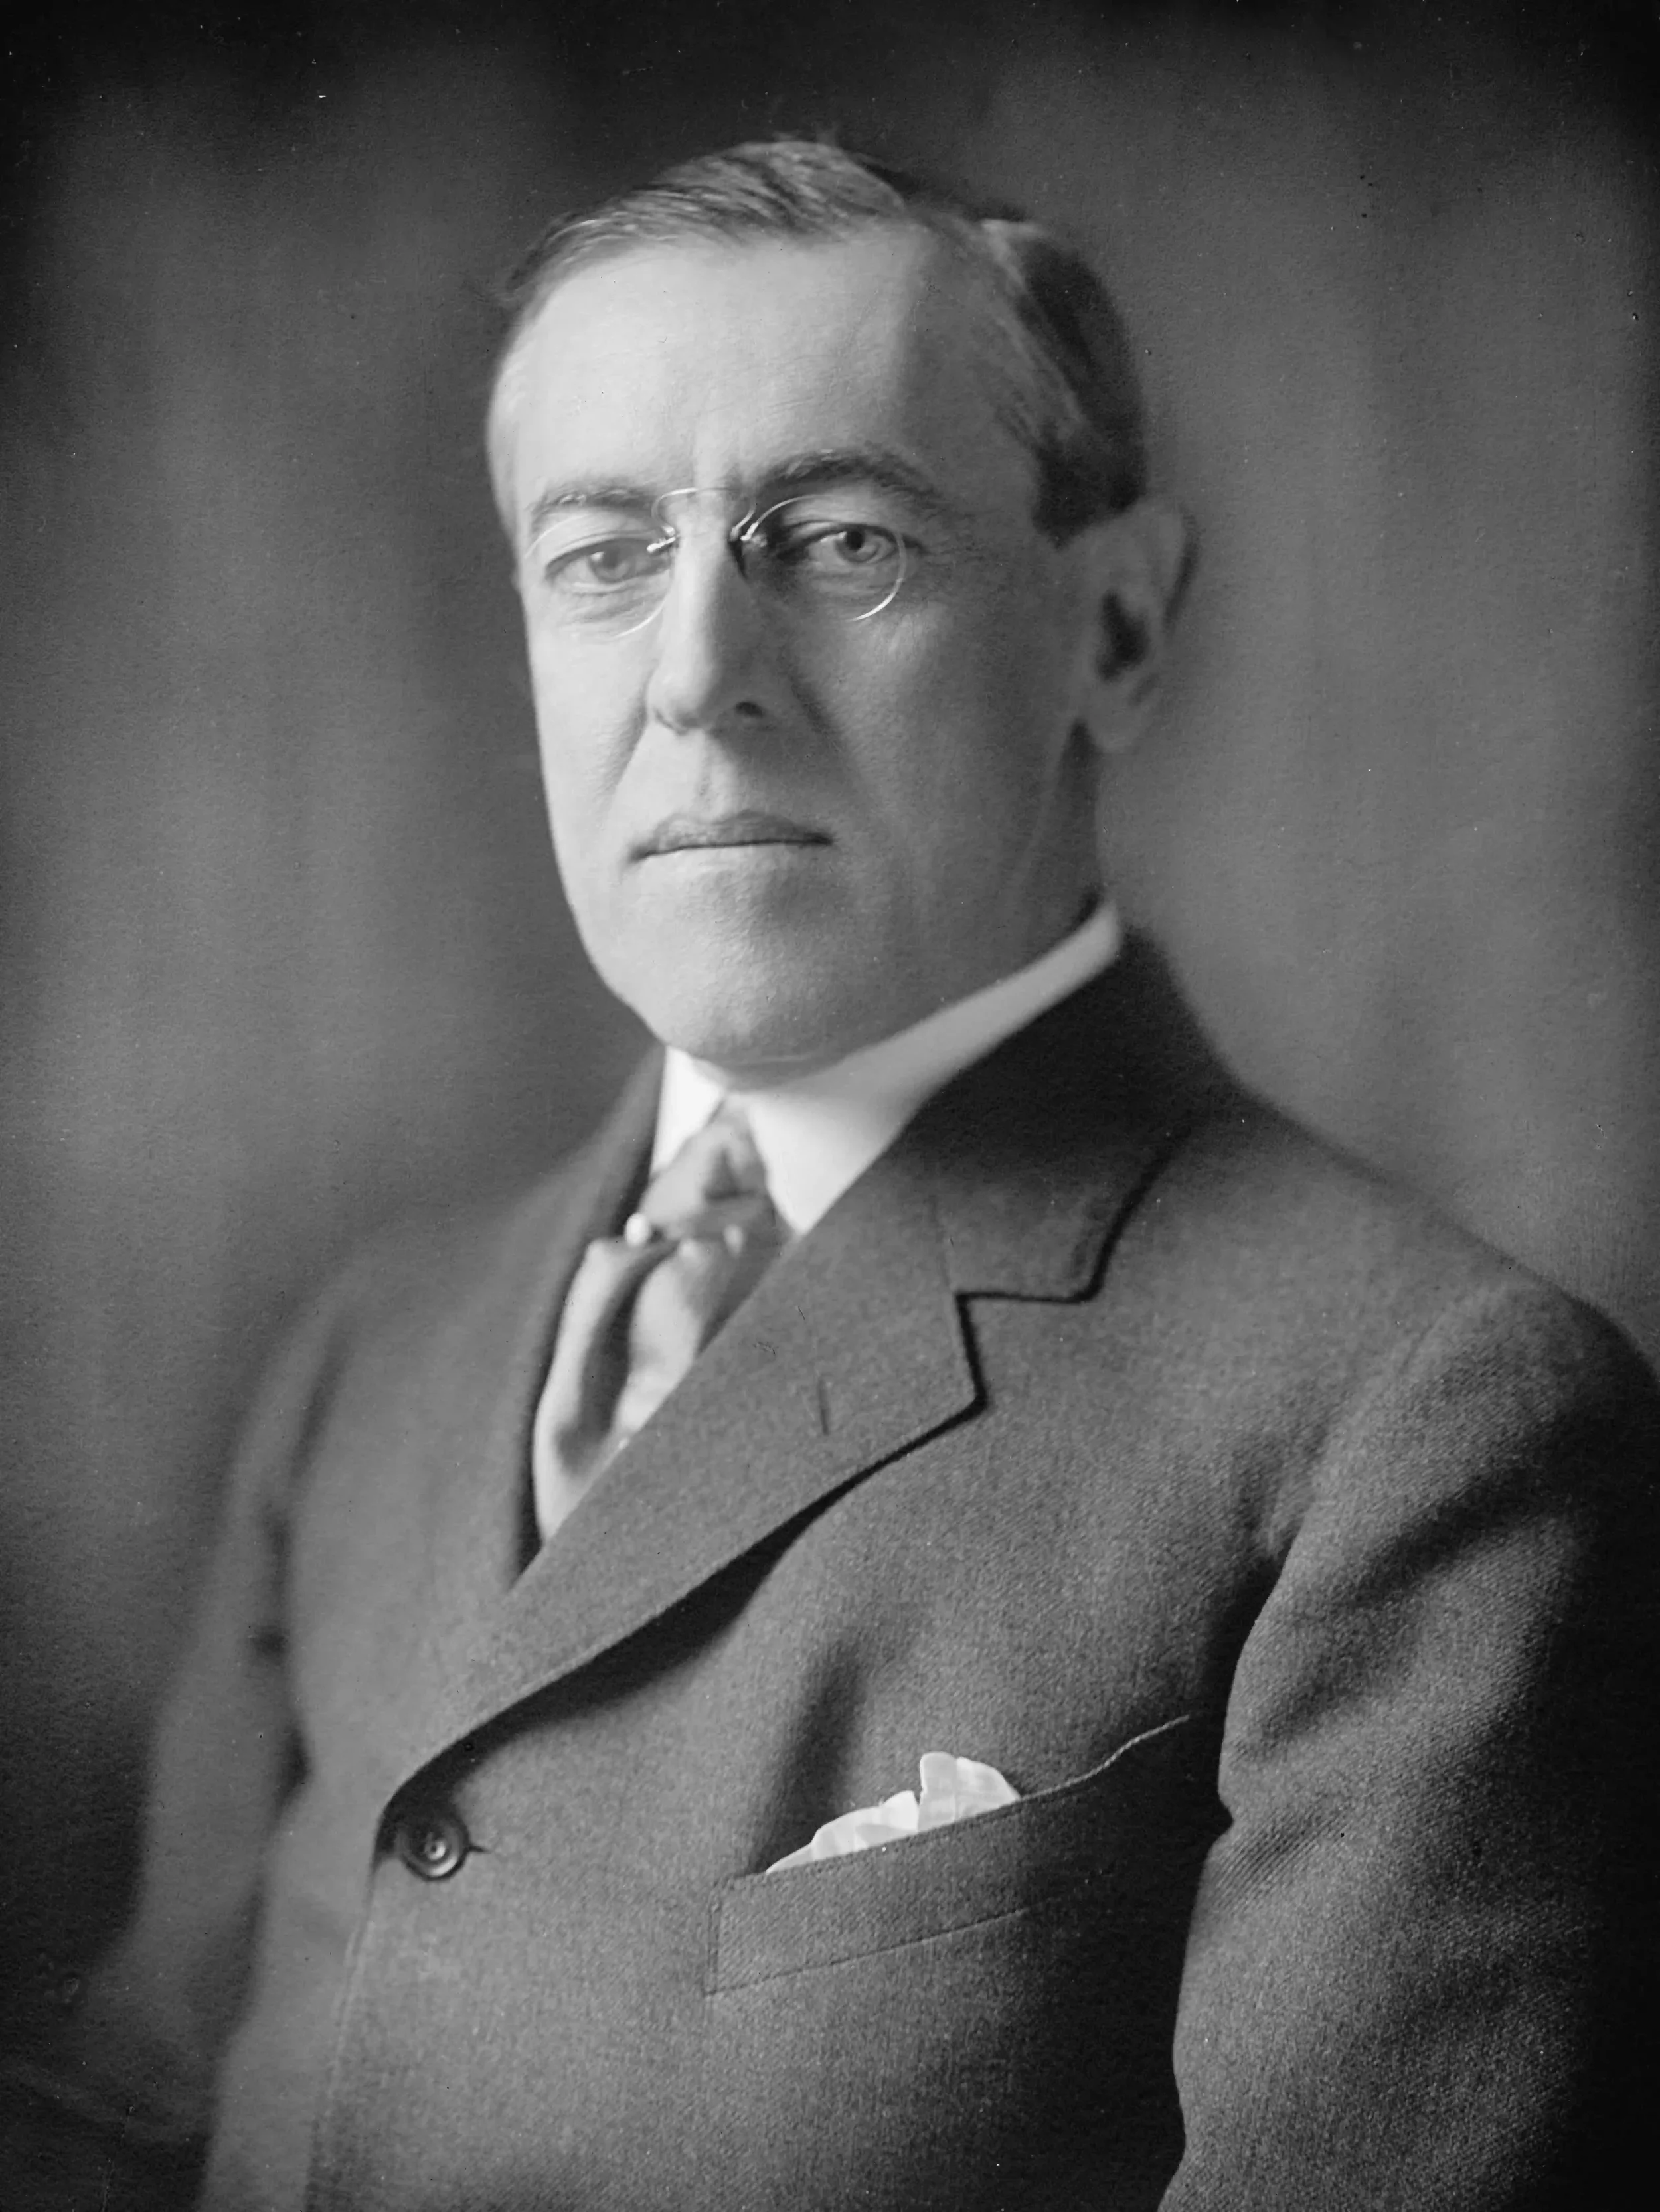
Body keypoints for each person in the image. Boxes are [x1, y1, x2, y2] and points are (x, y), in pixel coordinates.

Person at [4, 138, 1656, 2212]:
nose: (697, 671)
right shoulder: (372, 1347)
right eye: (601, 556)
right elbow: (149, 2109)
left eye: (844, 539)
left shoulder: (1425, 1425)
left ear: (1117, 627)